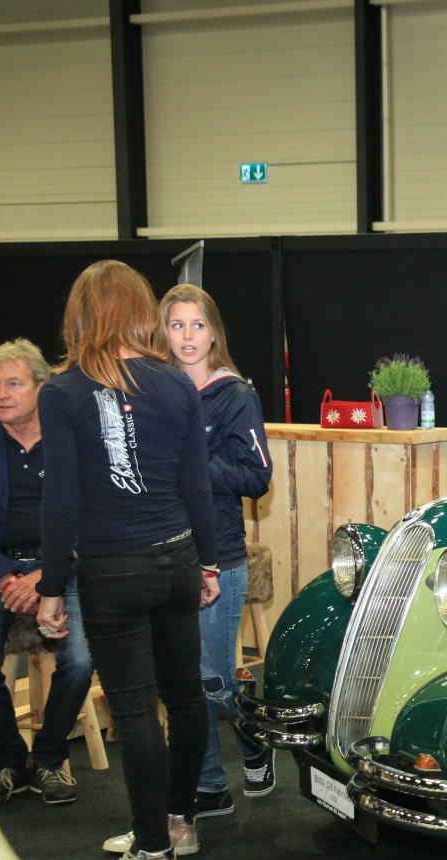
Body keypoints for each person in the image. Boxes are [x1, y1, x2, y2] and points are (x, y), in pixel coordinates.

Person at [35, 259, 222, 860]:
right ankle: (177, 823)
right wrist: (208, 562)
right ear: (142, 310)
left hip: (114, 570)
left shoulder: (62, 392)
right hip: (177, 559)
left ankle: (152, 854)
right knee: (185, 696)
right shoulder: (176, 385)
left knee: (138, 711)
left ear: (83, 314)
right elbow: (196, 487)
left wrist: (50, 586)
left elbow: (60, 503)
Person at [0, 339, 93, 808]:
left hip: (64, 567)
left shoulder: (71, 435)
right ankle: (7, 760)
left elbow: (91, 516)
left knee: (80, 662)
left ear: (41, 387)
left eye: (13, 383)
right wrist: (7, 577)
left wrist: (48, 575)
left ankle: (49, 757)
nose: (2, 394)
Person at [159, 283, 274, 816]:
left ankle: (255, 743)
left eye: (197, 325)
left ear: (214, 334)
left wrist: (193, 461)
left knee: (214, 680)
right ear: (163, 332)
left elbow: (257, 477)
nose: (187, 336)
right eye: (177, 324)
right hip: (163, 553)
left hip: (220, 556)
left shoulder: (236, 396)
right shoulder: (155, 391)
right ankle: (209, 785)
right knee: (181, 682)